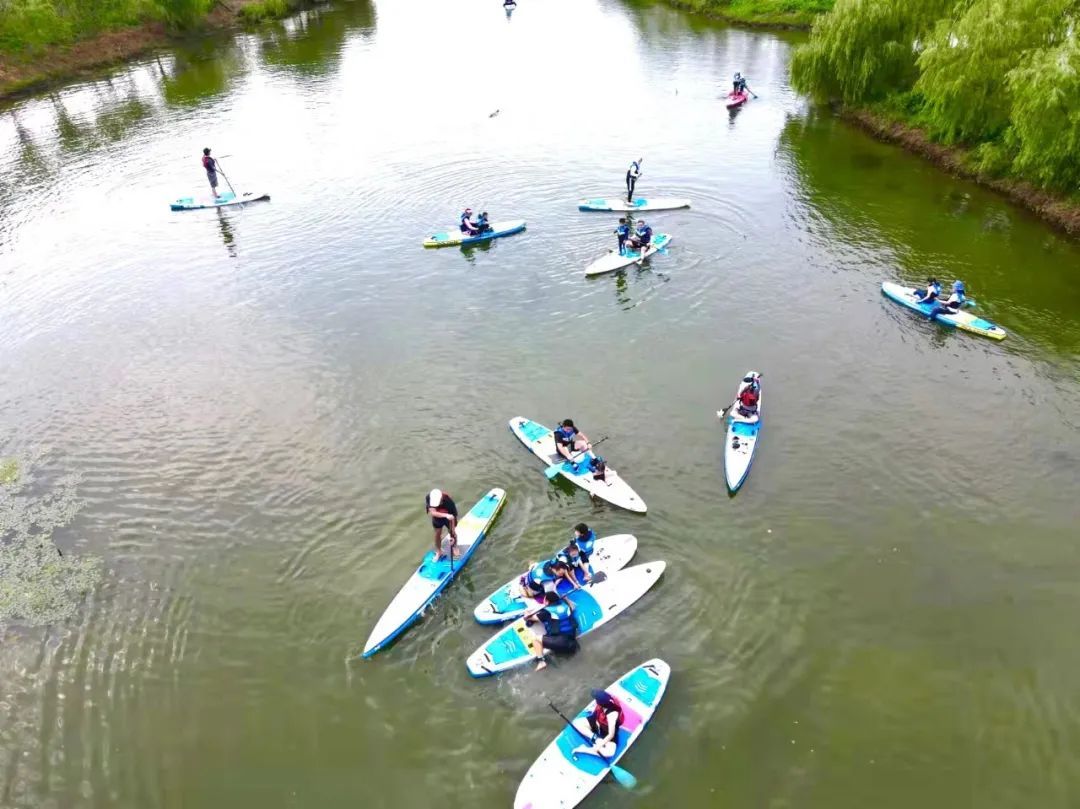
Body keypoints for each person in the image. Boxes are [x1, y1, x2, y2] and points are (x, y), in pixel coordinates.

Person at [525, 591, 578, 671]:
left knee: (535, 639)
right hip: (573, 642)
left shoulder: (546, 612)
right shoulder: (567, 606)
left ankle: (541, 662)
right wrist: (566, 599)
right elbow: (573, 607)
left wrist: (527, 613)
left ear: (547, 601)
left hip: (561, 642)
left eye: (544, 600)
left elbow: (529, 618)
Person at [573, 689, 623, 758]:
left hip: (606, 731)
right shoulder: (605, 700)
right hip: (597, 722)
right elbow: (597, 707)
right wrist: (592, 709)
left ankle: (585, 749)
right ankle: (596, 738)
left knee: (609, 753)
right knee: (576, 723)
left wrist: (597, 747)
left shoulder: (612, 714)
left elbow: (611, 735)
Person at [425, 488, 458, 561]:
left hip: (450, 518)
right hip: (438, 518)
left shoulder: (448, 501)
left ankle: (455, 547)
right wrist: (445, 515)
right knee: (437, 534)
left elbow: (453, 517)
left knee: (452, 533)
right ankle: (439, 551)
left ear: (441, 498)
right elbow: (432, 512)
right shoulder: (428, 497)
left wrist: (452, 533)